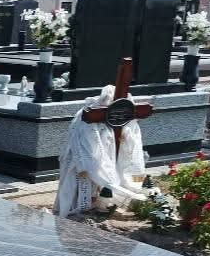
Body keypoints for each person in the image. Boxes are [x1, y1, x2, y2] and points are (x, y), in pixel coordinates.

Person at [54, 85, 147, 217]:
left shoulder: (124, 121)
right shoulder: (90, 117)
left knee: (104, 172)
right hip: (90, 154)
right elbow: (88, 151)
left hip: (109, 149)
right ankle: (89, 202)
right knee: (88, 175)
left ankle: (102, 200)